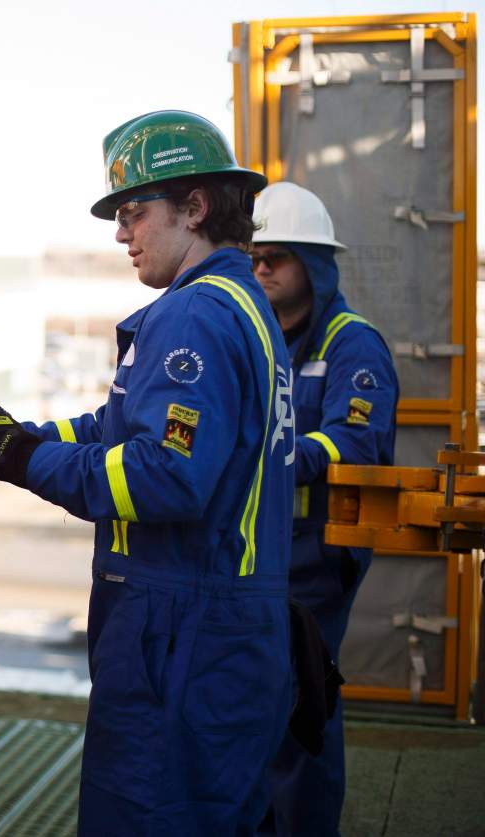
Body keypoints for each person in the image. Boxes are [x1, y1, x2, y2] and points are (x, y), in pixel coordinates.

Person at [0, 110, 296, 834]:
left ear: (194, 207)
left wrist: (14, 456)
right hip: (222, 630)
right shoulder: (242, 307)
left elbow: (164, 476)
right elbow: (113, 431)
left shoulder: (193, 318)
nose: (120, 233)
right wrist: (4, 439)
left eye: (133, 212)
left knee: (150, 815)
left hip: (182, 633)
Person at [251, 182, 398, 836]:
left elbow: (356, 439)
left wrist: (280, 456)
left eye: (275, 258)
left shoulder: (352, 346)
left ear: (314, 265)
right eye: (254, 256)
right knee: (256, 702)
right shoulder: (256, 335)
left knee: (303, 700)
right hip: (261, 554)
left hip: (317, 557)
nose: (260, 269)